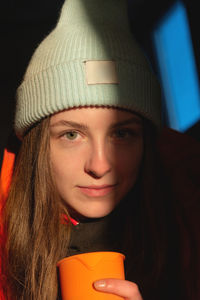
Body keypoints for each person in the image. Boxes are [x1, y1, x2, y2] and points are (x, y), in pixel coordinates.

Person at [0, 0, 199, 299]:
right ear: (37, 148)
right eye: (71, 134)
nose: (100, 164)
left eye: (122, 133)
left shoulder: (187, 218)